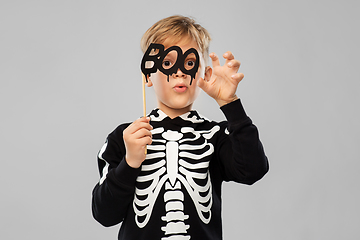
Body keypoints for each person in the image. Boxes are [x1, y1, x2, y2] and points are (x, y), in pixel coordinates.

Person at [92, 15, 269, 240]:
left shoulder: (215, 136)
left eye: (190, 63)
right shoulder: (124, 138)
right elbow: (104, 214)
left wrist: (230, 104)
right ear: (148, 74)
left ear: (205, 75)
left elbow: (253, 169)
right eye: (167, 63)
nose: (179, 72)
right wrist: (130, 162)